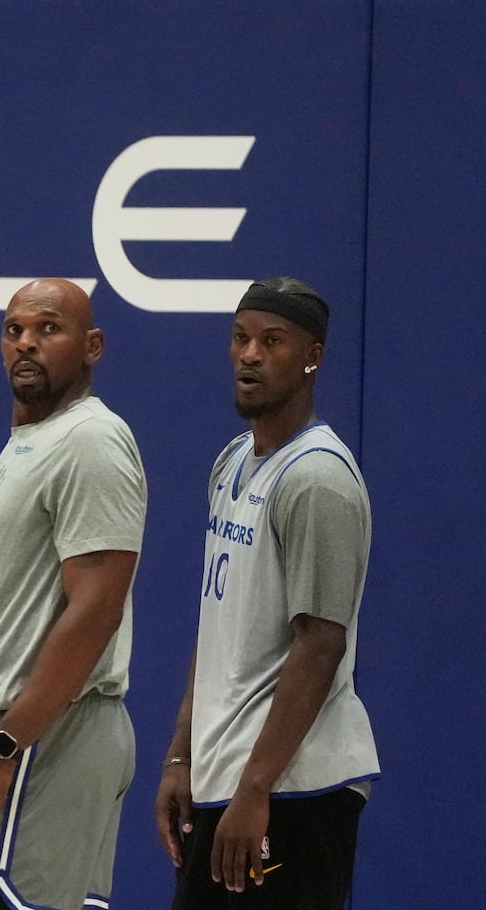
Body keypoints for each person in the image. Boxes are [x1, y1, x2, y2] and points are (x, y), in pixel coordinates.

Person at [154, 277, 379, 908]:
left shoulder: (317, 479)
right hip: (224, 779)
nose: (249, 355)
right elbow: (218, 625)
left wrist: (257, 787)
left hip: (292, 790)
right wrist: (181, 756)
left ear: (313, 356)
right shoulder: (232, 461)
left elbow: (321, 643)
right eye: (240, 338)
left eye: (271, 341)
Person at [0, 278, 147, 910]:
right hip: (42, 732)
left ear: (92, 346)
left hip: (44, 735)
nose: (26, 343)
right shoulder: (34, 441)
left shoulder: (89, 441)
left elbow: (98, 609)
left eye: (48, 329)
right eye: (13, 329)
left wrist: (2, 748)